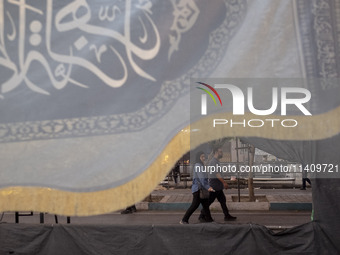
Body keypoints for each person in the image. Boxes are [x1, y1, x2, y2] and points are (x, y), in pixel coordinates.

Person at [199, 147, 237, 222]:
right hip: (214, 186)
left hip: (218, 186)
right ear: (216, 152)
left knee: (223, 200)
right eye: (220, 152)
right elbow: (217, 174)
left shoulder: (216, 161)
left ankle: (227, 216)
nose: (222, 153)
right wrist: (224, 183)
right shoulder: (213, 162)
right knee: (209, 201)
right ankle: (201, 216)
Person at [180, 151, 214, 224]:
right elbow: (202, 178)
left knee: (205, 206)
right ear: (198, 157)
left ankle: (209, 220)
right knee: (195, 205)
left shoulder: (201, 165)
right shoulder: (198, 165)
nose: (204, 158)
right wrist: (208, 187)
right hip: (198, 189)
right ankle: (184, 220)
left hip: (202, 189)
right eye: (202, 157)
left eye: (204, 157)